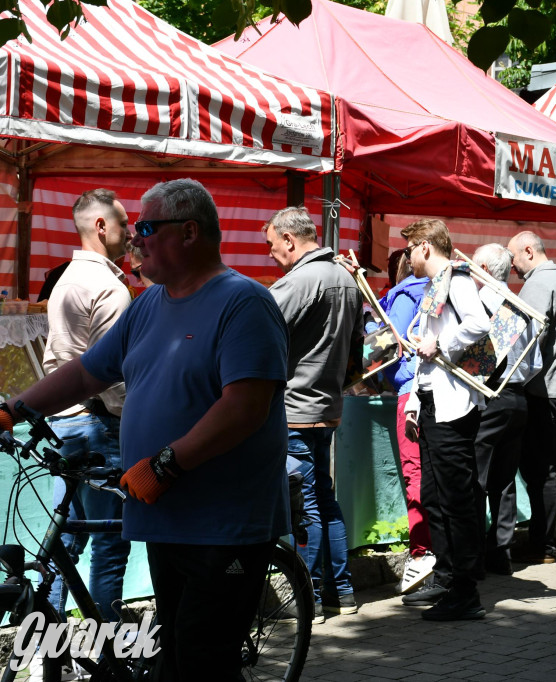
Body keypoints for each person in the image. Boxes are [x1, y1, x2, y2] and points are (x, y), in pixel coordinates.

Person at [2, 178, 291, 678]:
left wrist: (166, 463)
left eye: (146, 227)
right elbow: (88, 371)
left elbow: (245, 407)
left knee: (203, 659)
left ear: (189, 232)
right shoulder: (149, 305)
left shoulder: (244, 303)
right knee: (179, 656)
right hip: (168, 518)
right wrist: (15, 409)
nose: (135, 238)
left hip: (224, 524)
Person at [264, 206, 362, 621]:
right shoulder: (344, 277)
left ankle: (312, 600)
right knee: (324, 500)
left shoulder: (302, 279)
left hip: (297, 408)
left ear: (289, 239)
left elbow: (256, 326)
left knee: (305, 508)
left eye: (272, 245)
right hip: (326, 406)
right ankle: (340, 592)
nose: (271, 254)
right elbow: (357, 352)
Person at [40, 189, 132, 622]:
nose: (131, 233)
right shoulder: (109, 287)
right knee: (110, 543)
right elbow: (111, 374)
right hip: (98, 423)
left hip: (63, 422)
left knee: (66, 540)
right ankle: (104, 652)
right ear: (101, 227)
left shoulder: (66, 280)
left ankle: (45, 650)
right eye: (124, 224)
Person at [401, 218, 491, 620]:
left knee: (455, 497)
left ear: (424, 246)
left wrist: (442, 344)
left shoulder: (455, 279)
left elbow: (479, 323)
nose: (407, 258)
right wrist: (416, 401)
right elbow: (429, 346)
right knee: (437, 495)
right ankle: (449, 576)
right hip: (434, 400)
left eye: (408, 250)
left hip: (454, 405)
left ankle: (466, 591)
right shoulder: (437, 285)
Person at [507, 231, 556, 563]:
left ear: (528, 251)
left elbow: (525, 339)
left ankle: (545, 545)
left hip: (546, 387)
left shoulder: (540, 283)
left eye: (513, 257)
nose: (511, 265)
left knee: (545, 468)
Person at [471, 243, 543, 574]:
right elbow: (535, 364)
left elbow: (479, 360)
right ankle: (500, 551)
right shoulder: (520, 305)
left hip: (490, 396)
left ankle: (472, 556)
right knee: (504, 479)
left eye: (473, 266)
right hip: (517, 398)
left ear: (484, 269)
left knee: (477, 477)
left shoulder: (482, 302)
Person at [378, 253, 435, 593]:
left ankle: (422, 554)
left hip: (410, 394)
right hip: (439, 393)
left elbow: (390, 347)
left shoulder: (404, 294)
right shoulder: (441, 290)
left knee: (416, 473)